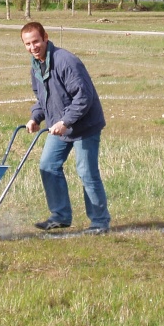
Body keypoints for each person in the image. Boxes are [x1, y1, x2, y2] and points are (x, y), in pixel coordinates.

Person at [21, 21, 111, 234]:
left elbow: (83, 97)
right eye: (27, 44)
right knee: (48, 165)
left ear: (45, 37)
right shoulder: (36, 65)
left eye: (36, 41)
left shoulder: (65, 61)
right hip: (60, 125)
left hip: (84, 125)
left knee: (87, 172)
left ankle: (99, 222)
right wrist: (36, 118)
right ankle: (60, 216)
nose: (33, 47)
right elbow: (43, 98)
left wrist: (65, 122)